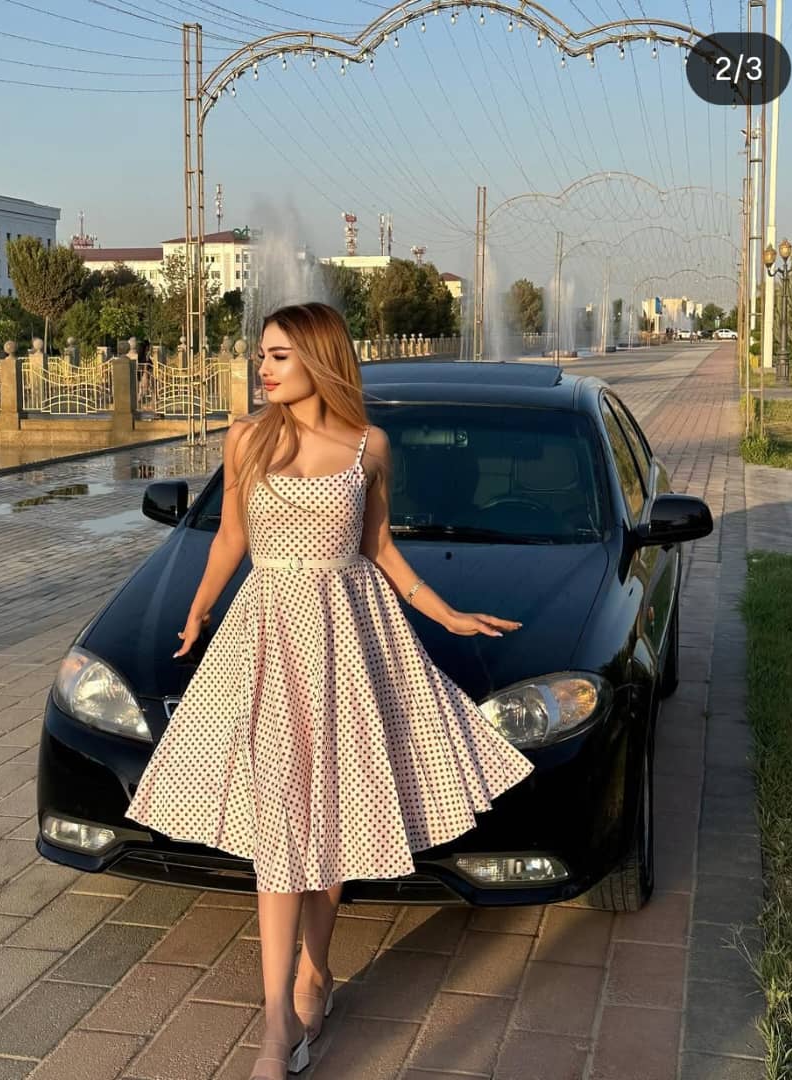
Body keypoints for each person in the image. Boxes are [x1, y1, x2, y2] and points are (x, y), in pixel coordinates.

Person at [124, 302, 534, 1079]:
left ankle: (316, 972)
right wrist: (199, 608)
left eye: (278, 355)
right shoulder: (247, 439)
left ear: (318, 357)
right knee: (281, 828)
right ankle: (275, 1026)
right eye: (262, 355)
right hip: (269, 634)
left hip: (348, 638)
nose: (263, 369)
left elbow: (379, 545)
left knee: (333, 811)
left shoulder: (369, 446)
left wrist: (444, 611)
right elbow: (232, 538)